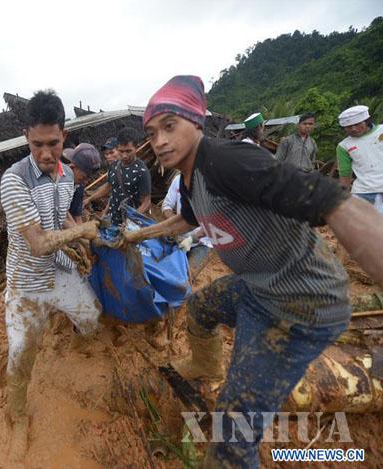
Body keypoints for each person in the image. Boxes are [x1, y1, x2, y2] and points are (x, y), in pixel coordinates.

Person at [125, 75, 383, 468]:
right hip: (258, 287)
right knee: (200, 308)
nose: (159, 140)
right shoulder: (191, 179)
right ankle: (206, 364)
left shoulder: (229, 160)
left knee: (232, 434)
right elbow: (187, 220)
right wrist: (138, 235)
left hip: (299, 304)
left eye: (169, 125)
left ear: (197, 122)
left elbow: (336, 203)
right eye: (152, 131)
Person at [0, 90, 102, 461]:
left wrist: (77, 247)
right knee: (22, 352)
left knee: (90, 315)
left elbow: (59, 220)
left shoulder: (64, 177)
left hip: (57, 273)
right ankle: (18, 416)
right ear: (26, 136)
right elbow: (40, 242)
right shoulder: (14, 181)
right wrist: (83, 232)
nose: (46, 153)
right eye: (38, 144)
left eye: (54, 143)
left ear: (65, 136)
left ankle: (76, 346)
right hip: (26, 284)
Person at [336, 105, 383, 213]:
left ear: (366, 121)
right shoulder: (344, 146)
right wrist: (342, 200)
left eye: (357, 124)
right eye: (348, 126)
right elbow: (345, 174)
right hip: (363, 194)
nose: (353, 129)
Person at [101, 127, 151, 226]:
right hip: (113, 221)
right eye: (121, 151)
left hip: (131, 226)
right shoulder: (114, 166)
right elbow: (113, 193)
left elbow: (146, 202)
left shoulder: (141, 171)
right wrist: (105, 213)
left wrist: (130, 221)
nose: (124, 156)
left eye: (128, 151)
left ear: (136, 148)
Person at [161, 174, 212, 270]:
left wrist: (192, 239)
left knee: (188, 277)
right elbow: (167, 205)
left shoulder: (214, 187)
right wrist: (176, 224)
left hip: (203, 242)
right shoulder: (178, 180)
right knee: (167, 271)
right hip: (179, 237)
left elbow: (214, 222)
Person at [62, 144, 102, 224]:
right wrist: (78, 232)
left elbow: (76, 215)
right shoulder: (57, 183)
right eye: (84, 177)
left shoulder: (79, 185)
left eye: (89, 177)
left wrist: (82, 231)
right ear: (71, 168)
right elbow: (61, 216)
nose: (86, 182)